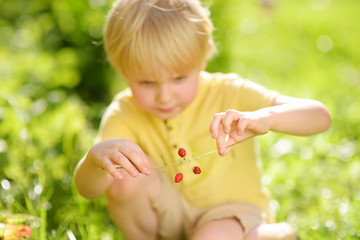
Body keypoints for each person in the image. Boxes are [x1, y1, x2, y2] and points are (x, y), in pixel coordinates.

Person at [74, 0, 331, 239]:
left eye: (179, 78)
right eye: (146, 82)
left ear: (202, 60)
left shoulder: (228, 91)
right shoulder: (124, 112)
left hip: (231, 214)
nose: (164, 96)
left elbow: (319, 116)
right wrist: (95, 161)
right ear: (123, 72)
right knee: (123, 179)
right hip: (168, 211)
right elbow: (88, 190)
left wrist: (267, 117)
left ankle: (267, 234)